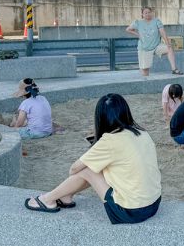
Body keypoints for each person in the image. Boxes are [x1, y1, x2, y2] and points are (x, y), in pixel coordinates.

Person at [24, 94, 162, 225]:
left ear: (100, 117)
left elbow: (73, 169)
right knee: (98, 167)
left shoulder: (110, 140)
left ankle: (47, 199)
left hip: (131, 212)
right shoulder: (142, 133)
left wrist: (93, 150)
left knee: (88, 169)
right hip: (154, 204)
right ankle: (66, 196)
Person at [126, 7, 181, 76]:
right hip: (144, 48)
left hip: (156, 46)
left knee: (169, 49)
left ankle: (174, 69)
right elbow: (128, 29)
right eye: (145, 13)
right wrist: (138, 35)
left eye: (149, 12)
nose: (148, 14)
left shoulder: (156, 21)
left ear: (151, 13)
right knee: (145, 72)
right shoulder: (138, 22)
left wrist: (167, 43)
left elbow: (162, 32)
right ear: (142, 14)